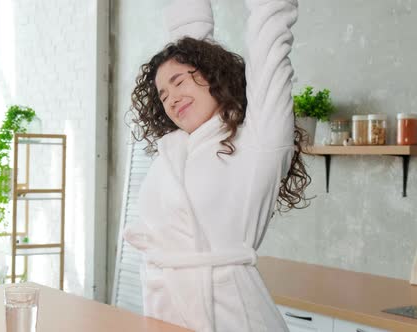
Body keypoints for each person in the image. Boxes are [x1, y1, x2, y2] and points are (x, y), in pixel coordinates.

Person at [122, 0, 311, 331]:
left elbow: (270, 38)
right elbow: (190, 42)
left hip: (234, 320)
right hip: (165, 315)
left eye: (179, 82)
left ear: (214, 74)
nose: (171, 98)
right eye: (163, 95)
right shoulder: (177, 149)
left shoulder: (258, 140)